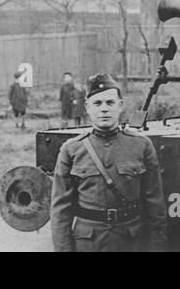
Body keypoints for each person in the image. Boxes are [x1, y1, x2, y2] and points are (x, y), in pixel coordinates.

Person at [50, 73, 167, 252]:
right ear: (87, 107)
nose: (104, 109)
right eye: (97, 103)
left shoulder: (141, 146)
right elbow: (60, 213)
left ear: (120, 106)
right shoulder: (71, 150)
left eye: (110, 103)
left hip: (131, 242)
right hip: (88, 244)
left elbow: (155, 207)